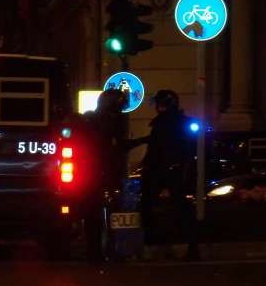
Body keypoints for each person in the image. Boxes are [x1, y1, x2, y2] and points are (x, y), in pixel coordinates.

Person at [133, 89, 200, 261]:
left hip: (167, 170)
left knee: (160, 205)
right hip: (164, 170)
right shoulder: (168, 122)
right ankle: (157, 242)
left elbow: (169, 148)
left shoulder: (170, 123)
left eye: (159, 104)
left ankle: (155, 242)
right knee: (160, 205)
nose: (157, 107)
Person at [83, 88, 131, 261]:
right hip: (102, 172)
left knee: (96, 212)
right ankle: (107, 251)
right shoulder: (107, 121)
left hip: (97, 173)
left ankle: (98, 251)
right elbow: (115, 147)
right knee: (104, 212)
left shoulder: (93, 119)